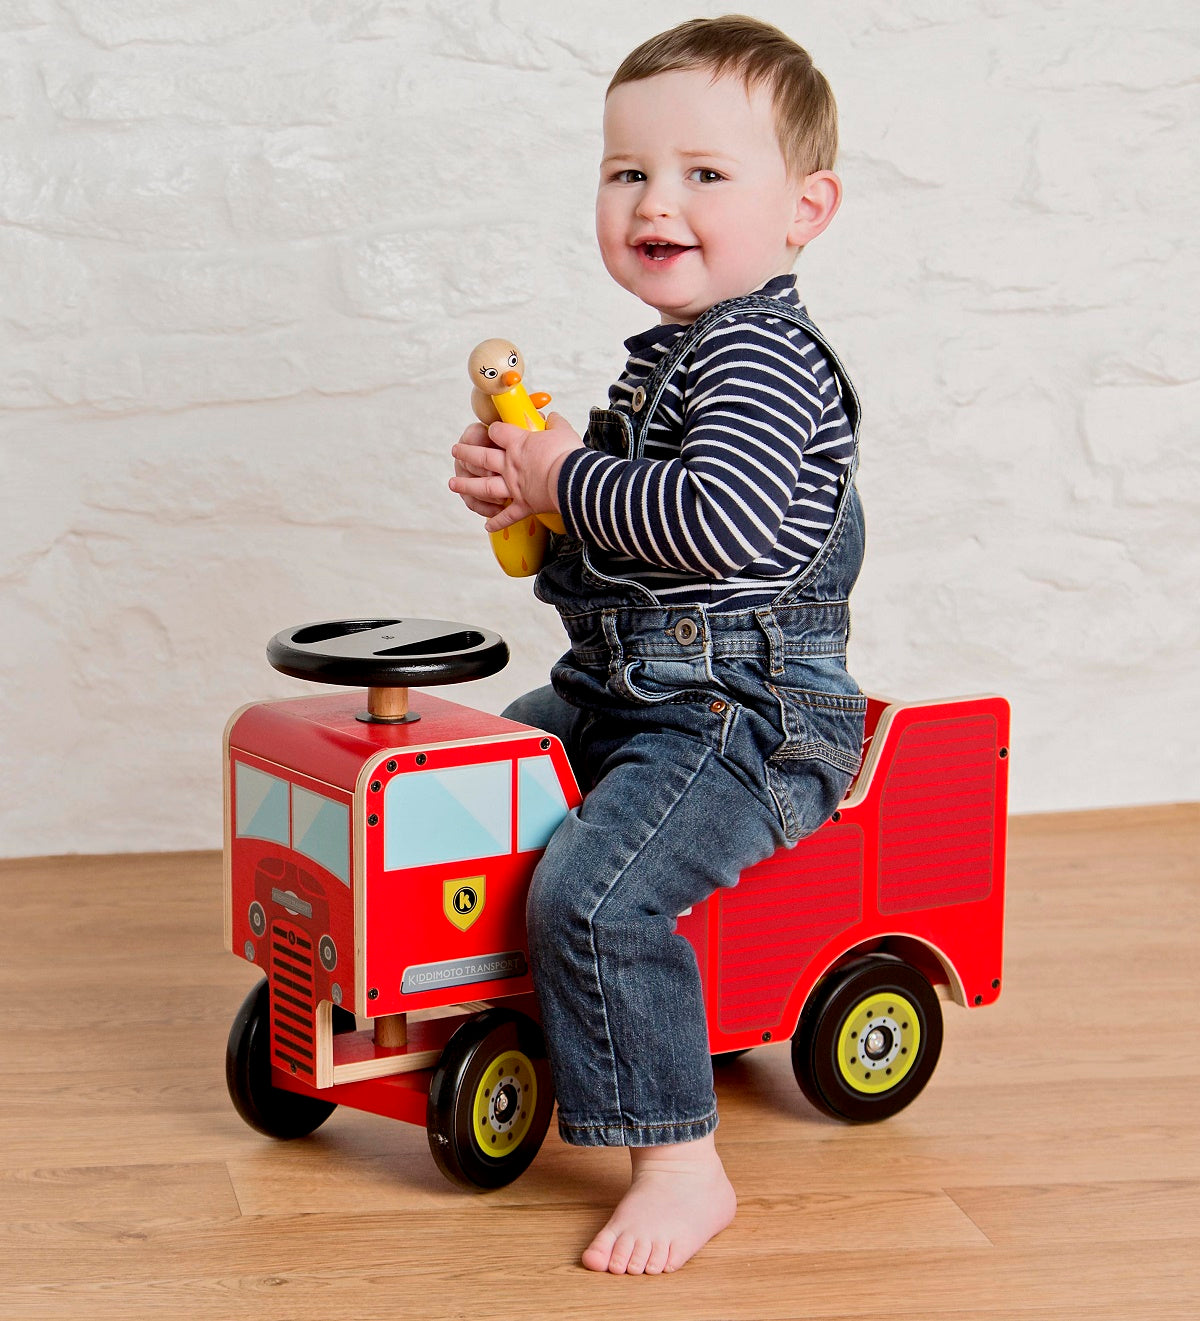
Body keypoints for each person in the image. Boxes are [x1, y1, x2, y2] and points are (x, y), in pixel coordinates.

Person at [449, 15, 866, 1275]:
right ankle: (494, 1021)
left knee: (597, 891)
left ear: (805, 208)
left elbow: (717, 520)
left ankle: (682, 1158)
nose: (655, 200)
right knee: (468, 797)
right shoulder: (670, 362)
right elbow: (632, 572)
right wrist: (538, 503)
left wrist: (567, 472)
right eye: (627, 171)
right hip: (626, 691)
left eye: (704, 173)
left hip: (743, 715)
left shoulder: (762, 357)